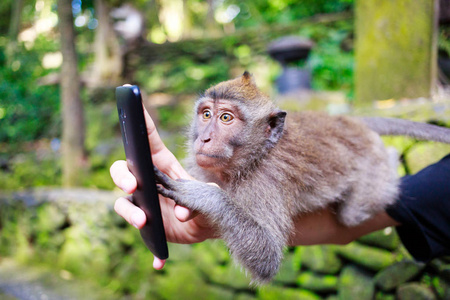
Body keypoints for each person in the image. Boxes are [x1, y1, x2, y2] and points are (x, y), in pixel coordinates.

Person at [110, 106, 450, 270]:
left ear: (268, 130)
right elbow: (339, 228)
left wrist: (216, 203)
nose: (206, 135)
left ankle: (386, 160)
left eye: (226, 118)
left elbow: (266, 263)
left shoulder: (264, 166)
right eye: (205, 115)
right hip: (342, 139)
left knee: (352, 211)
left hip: (364, 162)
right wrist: (203, 221)